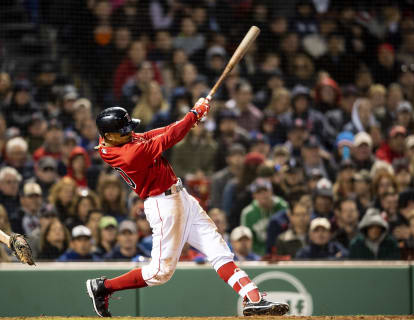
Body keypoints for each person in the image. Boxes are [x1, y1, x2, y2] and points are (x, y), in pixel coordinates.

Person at [86, 101, 289, 317]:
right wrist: (192, 116)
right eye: (124, 131)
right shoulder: (128, 155)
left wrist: (188, 120)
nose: (130, 132)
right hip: (163, 205)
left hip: (180, 197)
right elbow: (166, 139)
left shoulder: (114, 138)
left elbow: (153, 134)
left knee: (219, 250)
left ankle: (253, 298)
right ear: (111, 136)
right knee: (159, 273)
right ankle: (104, 287)